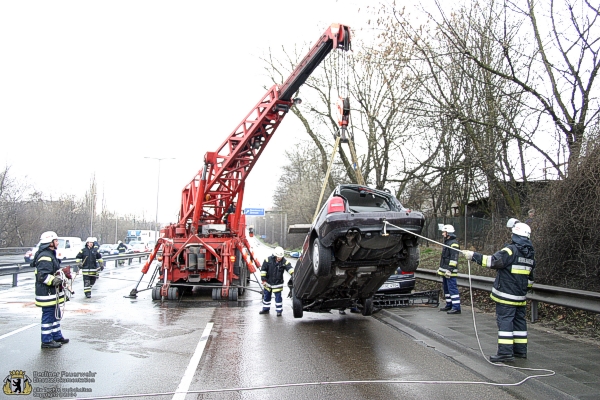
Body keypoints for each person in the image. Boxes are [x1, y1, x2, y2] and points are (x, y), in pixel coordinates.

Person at [463, 219, 535, 363]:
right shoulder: (530, 254)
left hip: (506, 296)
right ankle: (520, 351)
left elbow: (492, 261)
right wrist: (523, 290)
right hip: (520, 296)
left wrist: (473, 256)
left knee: (505, 322)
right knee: (519, 322)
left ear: (515, 235)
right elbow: (530, 278)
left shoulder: (510, 250)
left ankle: (505, 353)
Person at [33, 231, 70, 349]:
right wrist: (54, 280)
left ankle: (56, 336)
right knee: (48, 315)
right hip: (46, 292)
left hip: (51, 292)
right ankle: (46, 341)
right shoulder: (45, 256)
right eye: (56, 240)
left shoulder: (50, 254)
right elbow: (42, 276)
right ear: (50, 242)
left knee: (56, 314)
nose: (58, 242)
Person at [259, 246, 294, 316]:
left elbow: (289, 268)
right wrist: (264, 280)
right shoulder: (267, 260)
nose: (279, 258)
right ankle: (265, 309)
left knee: (278, 298)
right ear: (275, 255)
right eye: (278, 257)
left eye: (280, 257)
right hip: (268, 283)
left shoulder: (284, 262)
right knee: (266, 297)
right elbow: (263, 271)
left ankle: (279, 311)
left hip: (278, 284)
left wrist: (294, 274)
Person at [437, 224, 461, 314]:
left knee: (452, 289)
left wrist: (450, 270)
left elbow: (454, 258)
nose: (443, 234)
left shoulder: (453, 243)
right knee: (446, 289)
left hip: (450, 272)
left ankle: (456, 307)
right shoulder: (447, 242)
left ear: (448, 233)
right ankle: (449, 304)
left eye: (444, 232)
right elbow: (444, 258)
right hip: (445, 271)